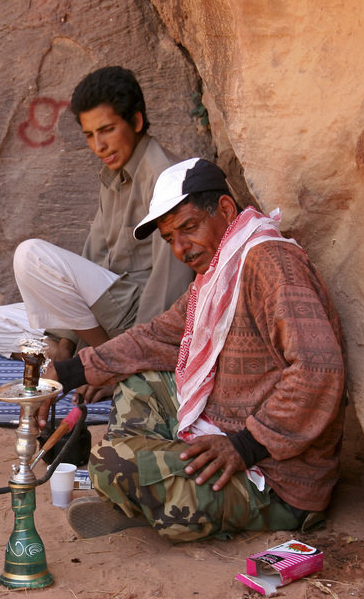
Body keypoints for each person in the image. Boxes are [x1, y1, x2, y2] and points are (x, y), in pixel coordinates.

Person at [43, 158, 347, 542]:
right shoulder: (219, 270)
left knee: (110, 463)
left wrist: (245, 445)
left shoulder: (271, 263)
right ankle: (155, 487)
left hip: (277, 477)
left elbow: (318, 371)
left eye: (189, 228)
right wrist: (67, 374)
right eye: (170, 238)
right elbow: (156, 339)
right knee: (141, 379)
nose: (181, 249)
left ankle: (156, 494)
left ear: (224, 210)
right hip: (227, 424)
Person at [0, 66, 193, 403]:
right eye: (90, 135)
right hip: (105, 319)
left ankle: (107, 366)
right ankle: (71, 358)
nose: (99, 145)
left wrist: (125, 359)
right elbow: (92, 259)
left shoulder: (163, 177)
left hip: (140, 327)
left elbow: (169, 291)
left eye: (107, 130)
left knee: (30, 255)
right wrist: (64, 339)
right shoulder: (114, 176)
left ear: (136, 122)